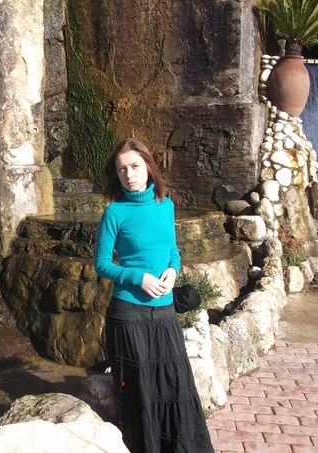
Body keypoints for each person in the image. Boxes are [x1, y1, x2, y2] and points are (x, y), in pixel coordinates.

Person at [95, 138, 214, 453]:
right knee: (142, 395)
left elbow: (172, 249)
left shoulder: (166, 205)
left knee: (176, 387)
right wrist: (138, 277)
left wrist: (173, 271)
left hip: (164, 311)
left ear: (148, 166)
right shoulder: (114, 213)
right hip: (128, 314)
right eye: (122, 169)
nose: (129, 175)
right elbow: (102, 264)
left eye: (135, 166)